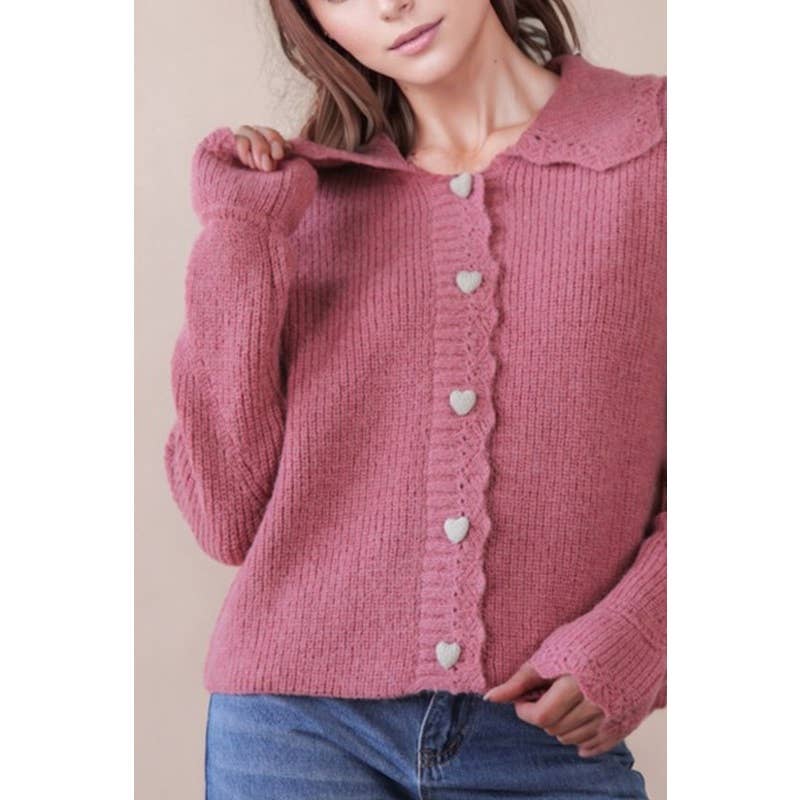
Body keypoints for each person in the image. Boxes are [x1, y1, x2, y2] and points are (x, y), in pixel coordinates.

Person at [163, 1, 666, 797]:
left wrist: (641, 634)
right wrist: (238, 233)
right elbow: (225, 517)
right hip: (292, 734)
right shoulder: (301, 201)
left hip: (540, 738)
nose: (389, 3)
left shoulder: (661, 146)